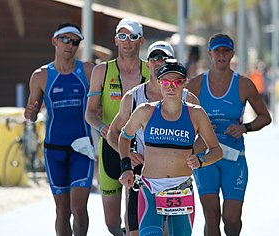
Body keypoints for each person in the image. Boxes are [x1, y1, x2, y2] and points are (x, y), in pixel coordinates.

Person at [118, 59, 223, 236]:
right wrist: (126, 168)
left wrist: (201, 160)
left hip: (181, 188)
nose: (171, 87)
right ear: (159, 83)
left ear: (184, 84)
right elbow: (124, 137)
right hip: (150, 187)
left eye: (176, 82)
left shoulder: (196, 113)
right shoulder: (145, 111)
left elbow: (216, 150)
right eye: (166, 82)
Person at [107, 41, 199, 236]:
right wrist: (127, 157)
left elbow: (203, 137)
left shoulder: (188, 99)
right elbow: (113, 134)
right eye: (154, 58)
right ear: (147, 64)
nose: (159, 62)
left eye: (164, 58)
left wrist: (190, 156)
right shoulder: (133, 98)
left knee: (168, 232)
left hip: (175, 177)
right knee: (136, 231)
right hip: (141, 172)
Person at [187, 33, 272, 236]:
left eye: (226, 51)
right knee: (211, 215)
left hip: (234, 158)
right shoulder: (196, 85)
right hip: (205, 157)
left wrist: (245, 128)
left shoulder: (244, 84)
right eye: (217, 51)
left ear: (232, 54)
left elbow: (265, 117)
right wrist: (199, 128)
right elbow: (180, 116)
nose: (221, 55)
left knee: (232, 221)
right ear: (210, 54)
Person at [24, 22, 95, 236]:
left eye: (75, 42)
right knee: (63, 211)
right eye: (65, 39)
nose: (70, 45)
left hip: (82, 149)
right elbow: (31, 113)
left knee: (79, 209)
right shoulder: (41, 76)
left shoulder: (89, 71)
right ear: (54, 41)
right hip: (53, 150)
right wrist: (30, 114)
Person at [85, 17, 149, 235]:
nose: (127, 41)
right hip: (111, 147)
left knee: (134, 216)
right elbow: (90, 113)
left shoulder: (151, 72)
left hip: (140, 149)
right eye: (122, 36)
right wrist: (101, 126)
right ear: (115, 40)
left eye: (132, 36)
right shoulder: (102, 71)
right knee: (112, 222)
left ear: (141, 41)